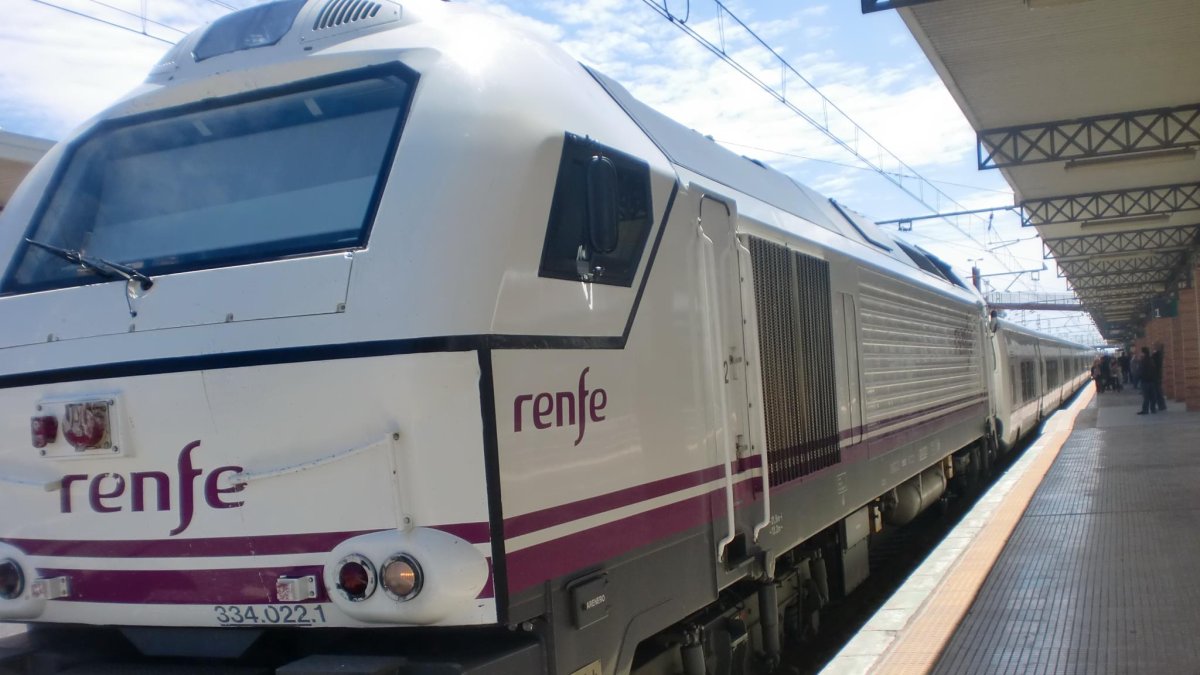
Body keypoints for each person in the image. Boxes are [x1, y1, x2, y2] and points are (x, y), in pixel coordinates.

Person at [1138, 346, 1158, 415]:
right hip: (1152, 381)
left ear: (1143, 353)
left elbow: (1140, 371)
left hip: (1145, 381)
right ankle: (1153, 409)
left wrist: (1140, 377)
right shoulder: (1151, 360)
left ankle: (1145, 410)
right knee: (1153, 396)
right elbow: (1154, 370)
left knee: (1146, 397)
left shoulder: (1143, 361)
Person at [1152, 344, 1167, 412]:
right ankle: (1162, 405)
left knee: (1158, 392)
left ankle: (1161, 406)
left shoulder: (1156, 356)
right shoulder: (1160, 356)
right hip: (1158, 376)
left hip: (1155, 377)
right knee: (1159, 391)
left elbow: (1153, 365)